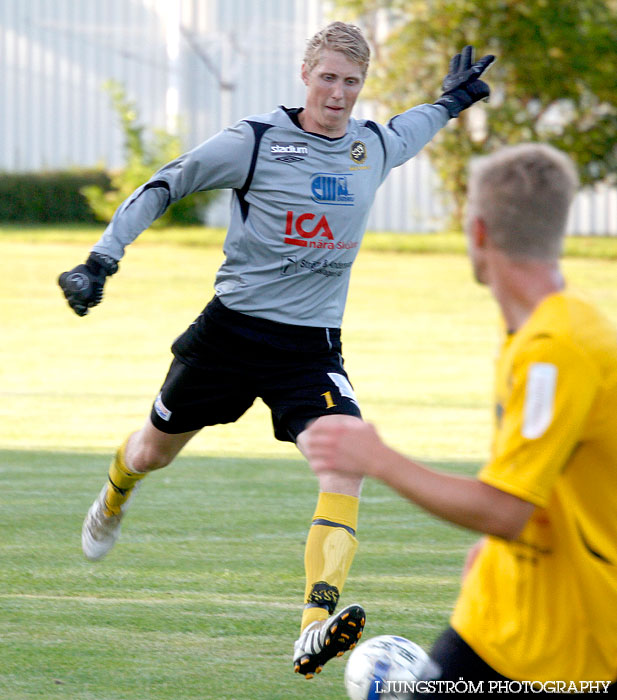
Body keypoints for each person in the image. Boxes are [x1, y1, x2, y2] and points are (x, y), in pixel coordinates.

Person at [58, 22, 494, 679]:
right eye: (328, 78)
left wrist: (454, 100)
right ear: (304, 74)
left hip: (308, 351)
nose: (339, 93)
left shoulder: (369, 148)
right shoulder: (255, 142)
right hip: (229, 335)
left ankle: (312, 625)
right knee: (151, 451)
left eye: (351, 81)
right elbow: (166, 183)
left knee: (346, 461)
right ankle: (114, 496)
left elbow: (417, 123)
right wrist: (101, 260)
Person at [302, 143, 617, 690]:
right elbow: (535, 485)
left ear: (477, 233)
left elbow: (506, 510)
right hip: (501, 612)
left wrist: (376, 458)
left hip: (562, 643)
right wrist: (493, 549)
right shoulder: (542, 327)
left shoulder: (556, 348)